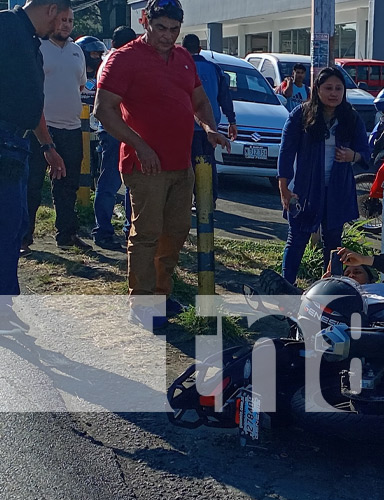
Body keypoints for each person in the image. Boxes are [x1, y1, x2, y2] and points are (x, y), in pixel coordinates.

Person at [94, 0, 229, 330]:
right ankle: (141, 304)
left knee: (176, 232)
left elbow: (199, 100)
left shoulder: (183, 57)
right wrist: (140, 145)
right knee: (146, 235)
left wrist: (209, 127)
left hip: (181, 164)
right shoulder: (124, 58)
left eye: (174, 29)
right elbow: (103, 109)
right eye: (161, 28)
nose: (168, 36)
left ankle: (160, 294)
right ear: (145, 22)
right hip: (145, 165)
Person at [0, 0, 71, 333]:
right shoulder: (6, 27)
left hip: (21, 143)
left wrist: (48, 146)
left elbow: (33, 103)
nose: (61, 26)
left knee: (15, 226)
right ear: (50, 9)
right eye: (60, 18)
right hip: (3, 141)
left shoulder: (32, 42)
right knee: (6, 227)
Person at [277, 66, 370, 285]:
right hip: (306, 189)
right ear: (317, 89)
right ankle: (285, 288)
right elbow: (286, 151)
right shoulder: (301, 114)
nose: (334, 93)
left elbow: (366, 153)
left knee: (334, 243)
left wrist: (352, 155)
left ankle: (330, 291)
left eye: (339, 88)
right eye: (328, 88)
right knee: (297, 238)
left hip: (338, 190)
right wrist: (283, 187)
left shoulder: (351, 117)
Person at [23, 7, 92, 252]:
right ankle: (24, 236)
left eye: (70, 21)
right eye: (62, 20)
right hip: (40, 128)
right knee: (32, 184)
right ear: (53, 20)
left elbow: (82, 85)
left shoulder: (77, 51)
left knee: (68, 184)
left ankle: (66, 234)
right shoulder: (38, 47)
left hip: (72, 128)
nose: (66, 25)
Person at [91, 26, 137, 250]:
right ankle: (116, 230)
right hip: (117, 128)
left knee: (110, 180)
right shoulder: (119, 62)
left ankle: (106, 229)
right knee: (121, 181)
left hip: (109, 129)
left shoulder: (106, 61)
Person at [182, 33, 237, 205]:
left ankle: (190, 200)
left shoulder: (181, 67)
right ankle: (208, 200)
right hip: (211, 126)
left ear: (183, 49)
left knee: (188, 163)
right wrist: (231, 121)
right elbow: (224, 97)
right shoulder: (214, 68)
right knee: (208, 161)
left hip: (186, 126)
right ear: (199, 49)